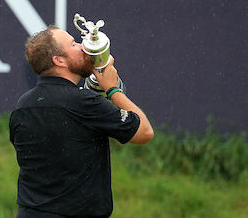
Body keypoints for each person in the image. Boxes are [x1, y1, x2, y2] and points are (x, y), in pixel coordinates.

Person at [9, 25, 154, 218]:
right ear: (58, 60)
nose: (83, 47)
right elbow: (144, 132)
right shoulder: (83, 103)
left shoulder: (22, 106)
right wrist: (112, 90)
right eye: (74, 44)